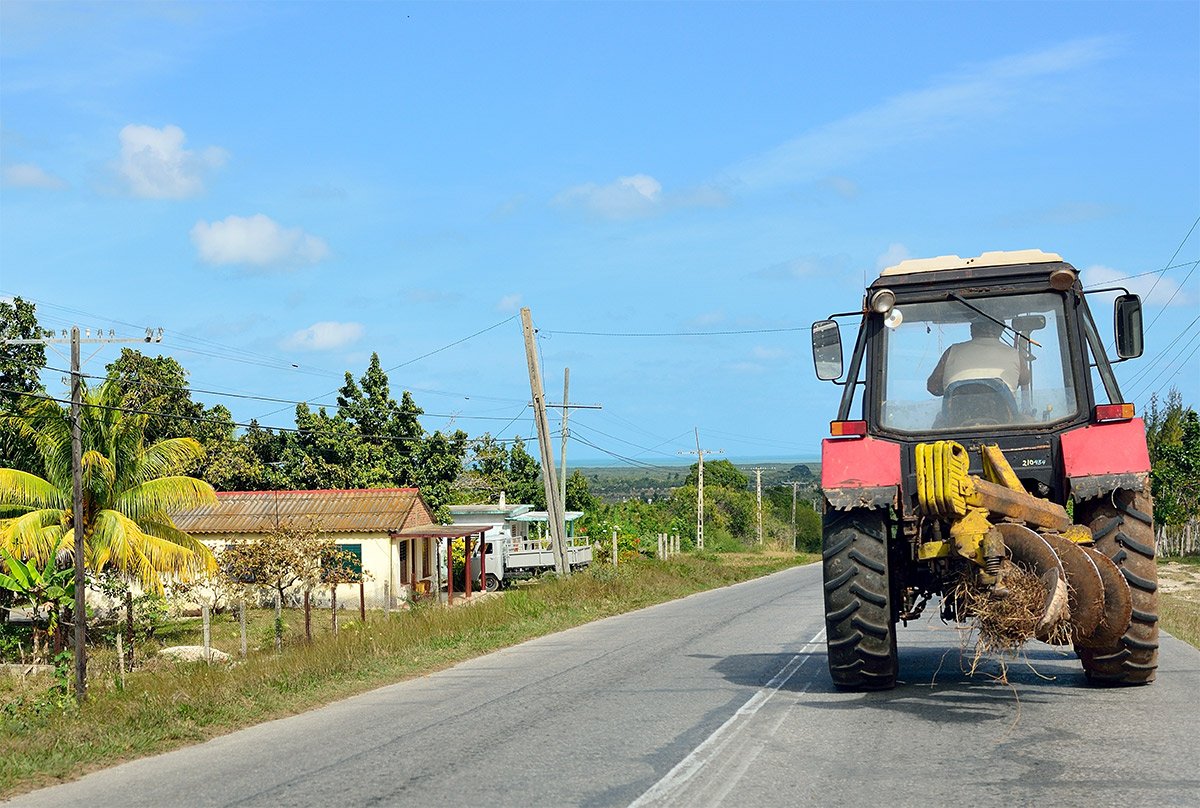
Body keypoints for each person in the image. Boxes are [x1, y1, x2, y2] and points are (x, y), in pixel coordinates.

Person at [926, 319, 1030, 397]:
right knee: (1028, 419)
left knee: (938, 420)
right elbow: (1025, 379)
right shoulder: (1014, 354)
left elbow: (933, 387)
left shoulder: (952, 351)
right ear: (1001, 330)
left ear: (972, 329)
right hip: (1007, 421)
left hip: (956, 421)